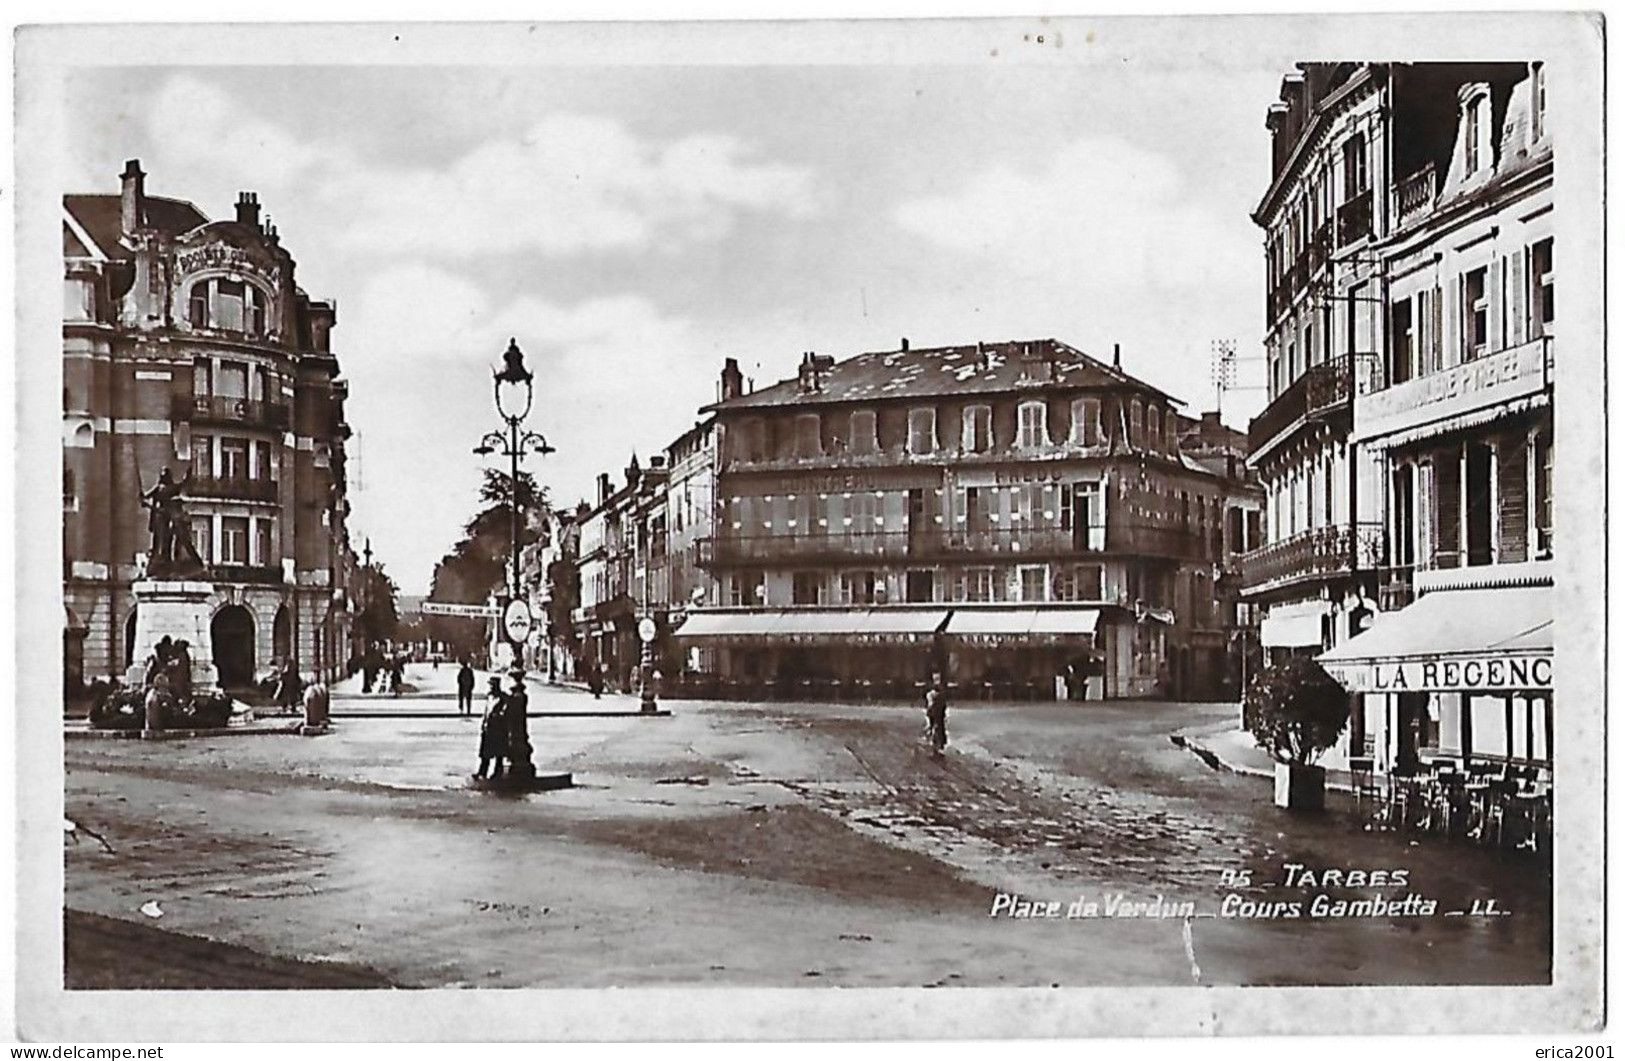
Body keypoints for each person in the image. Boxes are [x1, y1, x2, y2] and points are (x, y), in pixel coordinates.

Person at [475, 676, 508, 780]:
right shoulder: (489, 697)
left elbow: (504, 712)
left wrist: (497, 715)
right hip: (488, 728)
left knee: (498, 752)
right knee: (485, 753)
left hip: (498, 729)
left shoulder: (503, 698)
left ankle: (497, 772)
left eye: (492, 685)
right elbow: (486, 711)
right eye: (490, 685)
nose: (490, 687)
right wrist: (483, 723)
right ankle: (482, 772)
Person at [923, 675, 948, 758]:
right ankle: (936, 743)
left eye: (937, 678)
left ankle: (940, 745)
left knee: (939, 727)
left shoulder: (941, 689)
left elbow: (942, 701)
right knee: (935, 726)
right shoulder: (933, 688)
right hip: (935, 711)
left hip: (938, 711)